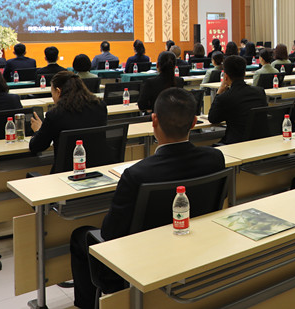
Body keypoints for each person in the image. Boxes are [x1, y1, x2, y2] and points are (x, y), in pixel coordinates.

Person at [69, 88, 225, 309]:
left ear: (154, 120)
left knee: (80, 236)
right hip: (195, 251)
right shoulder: (215, 158)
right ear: (194, 122)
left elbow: (110, 233)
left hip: (139, 265)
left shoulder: (136, 174)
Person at [29, 71, 108, 172]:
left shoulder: (55, 114)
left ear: (58, 91)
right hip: (98, 169)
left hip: (67, 174)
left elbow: (37, 146)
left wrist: (38, 130)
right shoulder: (100, 106)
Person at [208, 55, 267, 143]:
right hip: (259, 141)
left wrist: (219, 91)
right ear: (244, 74)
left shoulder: (224, 97)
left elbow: (212, 118)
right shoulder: (260, 92)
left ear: (225, 76)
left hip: (235, 143)